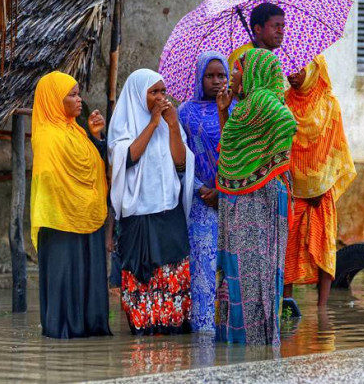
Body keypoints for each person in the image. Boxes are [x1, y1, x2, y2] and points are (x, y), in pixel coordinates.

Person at [214, 48, 297, 345]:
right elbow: (231, 150)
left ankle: (250, 341)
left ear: (253, 73)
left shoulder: (261, 101)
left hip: (260, 199)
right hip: (247, 197)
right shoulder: (246, 105)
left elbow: (288, 123)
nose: (232, 75)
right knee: (247, 268)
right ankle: (251, 341)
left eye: (238, 69)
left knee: (253, 267)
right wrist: (224, 110)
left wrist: (267, 158)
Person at [108, 69, 195, 335]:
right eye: (153, 92)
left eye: (162, 92)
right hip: (139, 216)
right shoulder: (124, 124)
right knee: (141, 276)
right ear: (138, 93)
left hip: (169, 212)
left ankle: (172, 337)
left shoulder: (171, 123)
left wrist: (171, 126)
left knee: (173, 273)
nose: (159, 97)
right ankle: (143, 338)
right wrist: (153, 123)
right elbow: (127, 158)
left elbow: (181, 164)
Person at [30, 71, 112, 339]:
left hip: (86, 216)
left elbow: (96, 169)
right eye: (72, 95)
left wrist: (96, 137)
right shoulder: (47, 136)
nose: (79, 100)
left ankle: (89, 328)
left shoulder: (77, 132)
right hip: (60, 222)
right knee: (65, 277)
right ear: (54, 99)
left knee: (88, 275)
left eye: (79, 94)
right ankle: (64, 332)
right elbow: (49, 179)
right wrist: (70, 200)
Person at [283, 56, 357, 307]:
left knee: (325, 247)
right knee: (288, 248)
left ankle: (322, 309)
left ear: (314, 70)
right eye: (288, 70)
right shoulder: (282, 102)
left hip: (321, 192)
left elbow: (337, 148)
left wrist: (321, 184)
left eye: (297, 69)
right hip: (291, 190)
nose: (291, 75)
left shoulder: (329, 105)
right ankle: (286, 303)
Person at [177, 51, 232, 333]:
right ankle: (203, 333)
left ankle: (230, 330)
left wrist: (223, 189)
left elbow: (241, 153)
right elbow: (179, 158)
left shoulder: (236, 109)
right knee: (203, 267)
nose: (216, 81)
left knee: (231, 270)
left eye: (221, 75)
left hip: (233, 200)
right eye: (209, 75)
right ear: (200, 77)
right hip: (200, 200)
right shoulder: (184, 112)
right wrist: (202, 189)